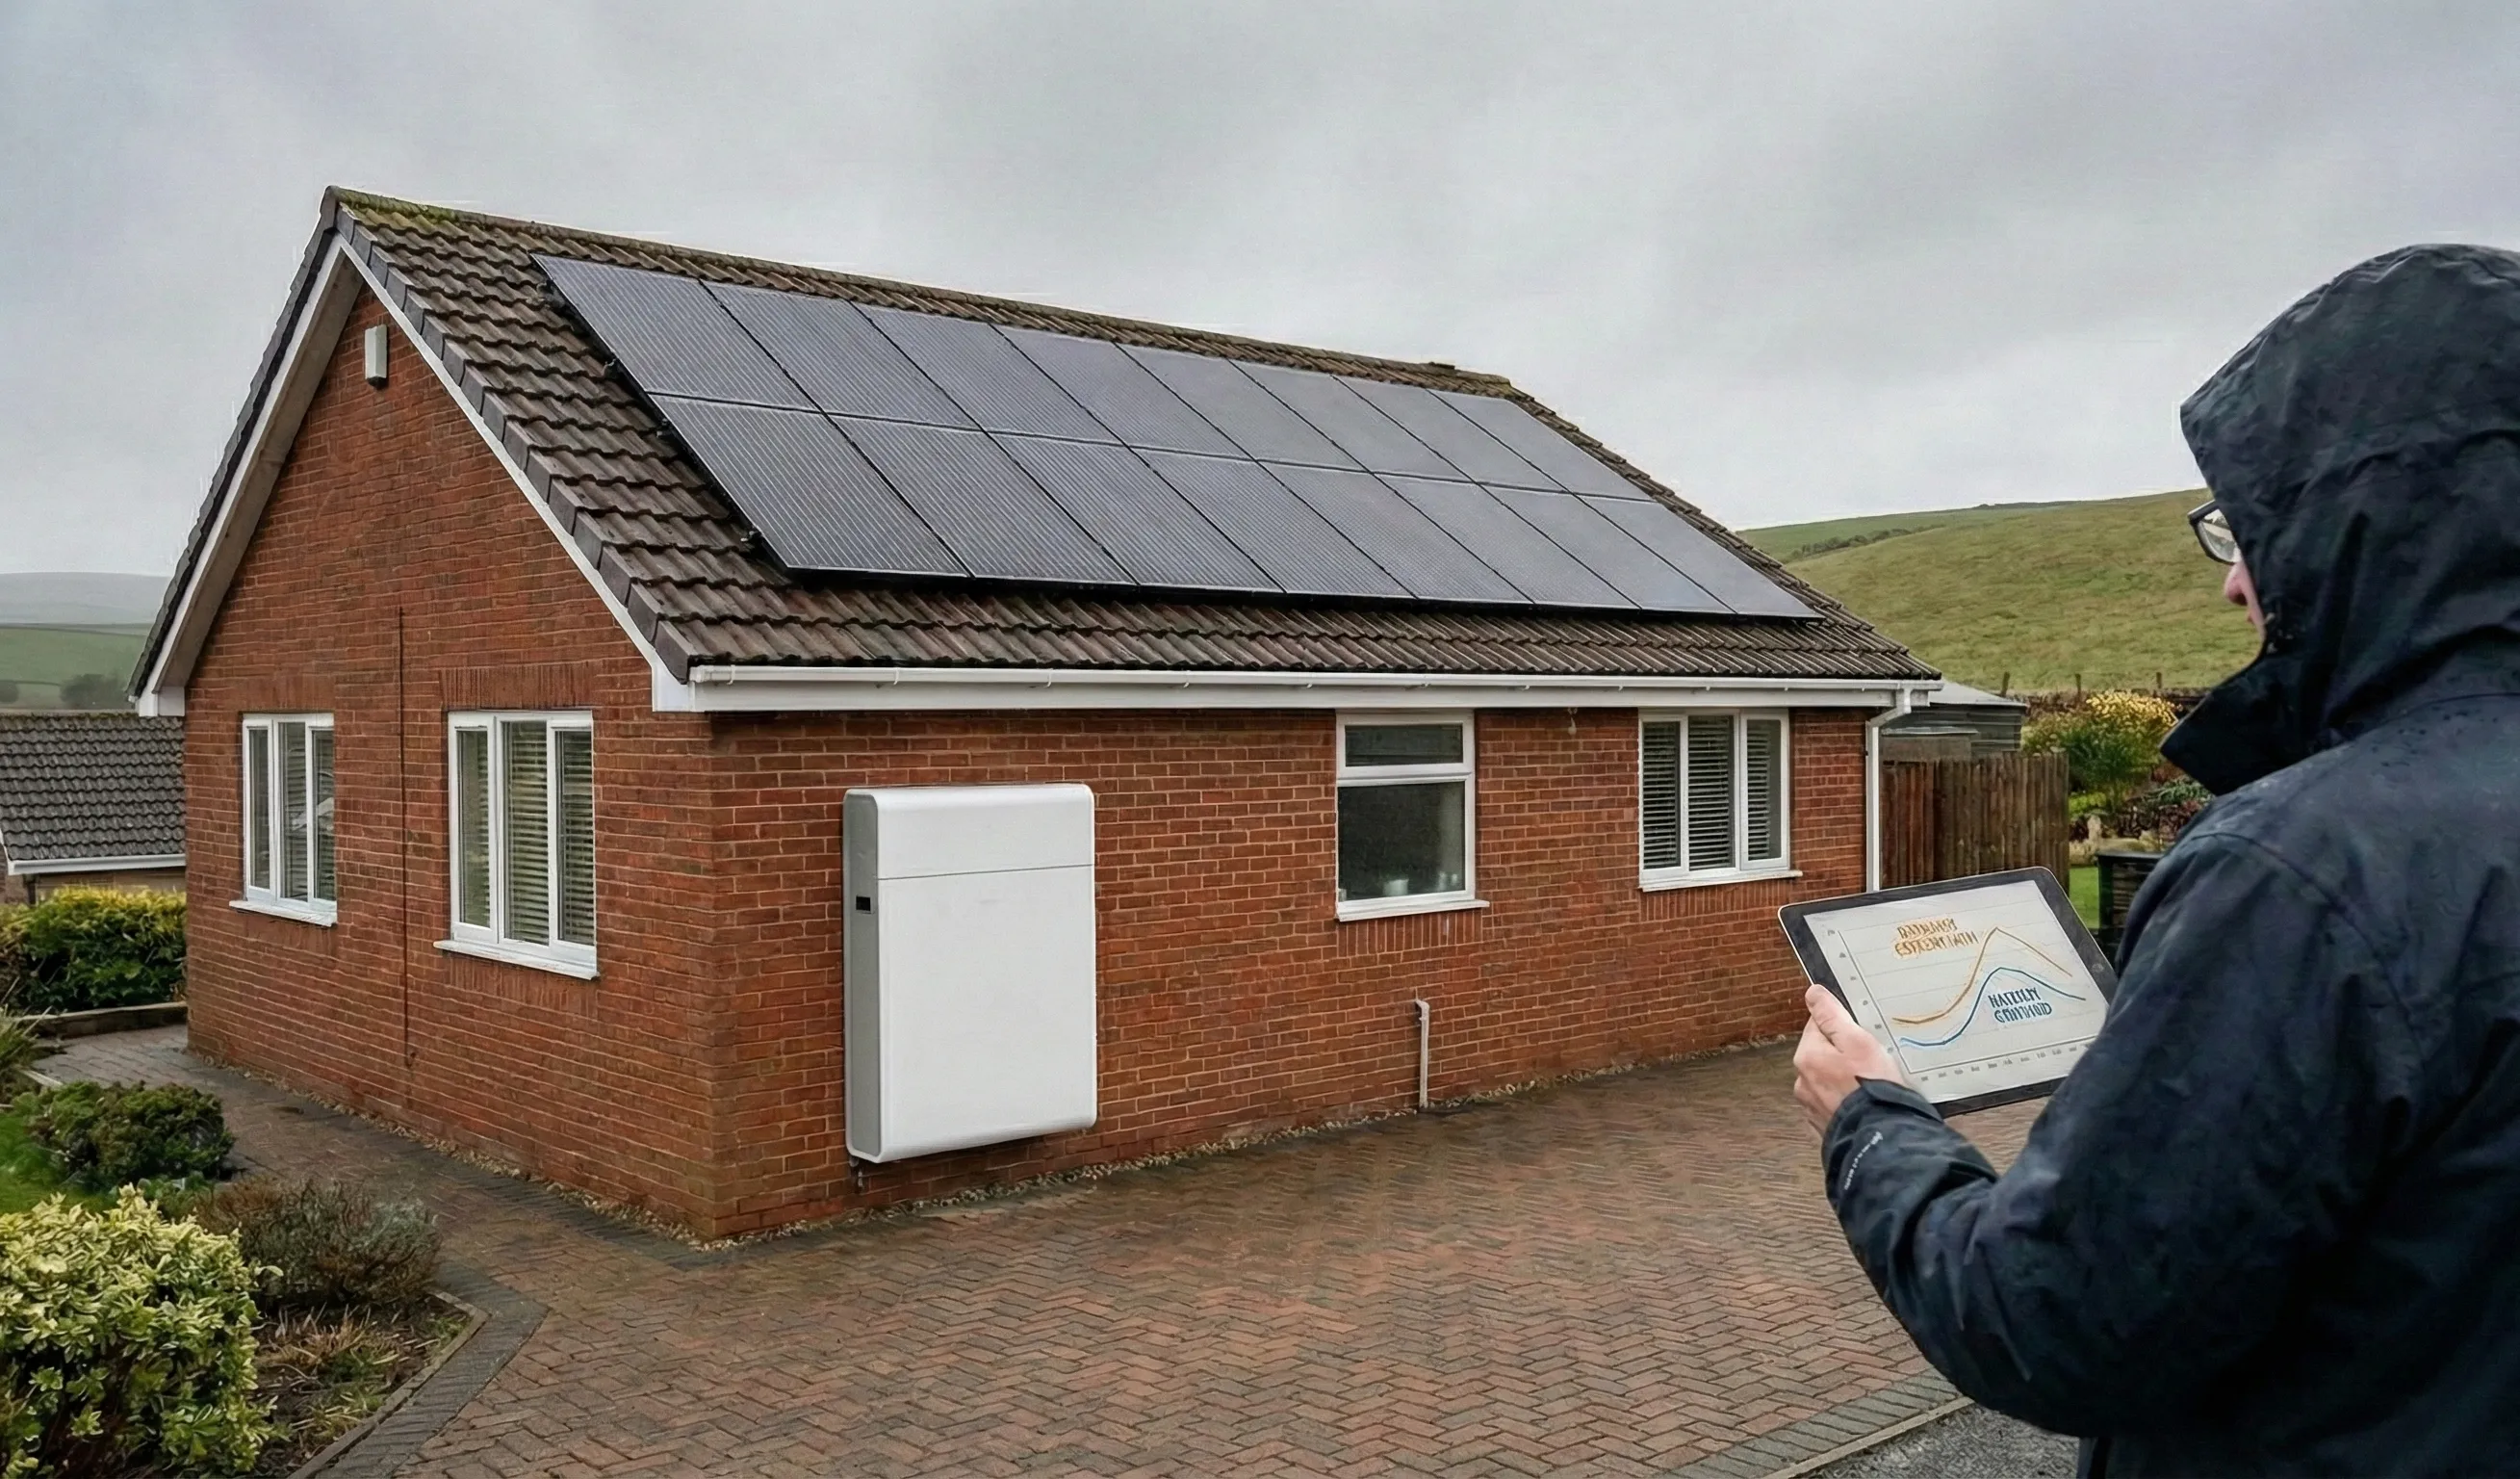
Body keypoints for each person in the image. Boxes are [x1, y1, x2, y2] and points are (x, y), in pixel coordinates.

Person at [1790, 243, 2520, 1478]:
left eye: (2253, 528)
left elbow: (2059, 1320)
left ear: (2373, 521)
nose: (2235, 581)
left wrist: (1869, 1129)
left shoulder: (2302, 874)